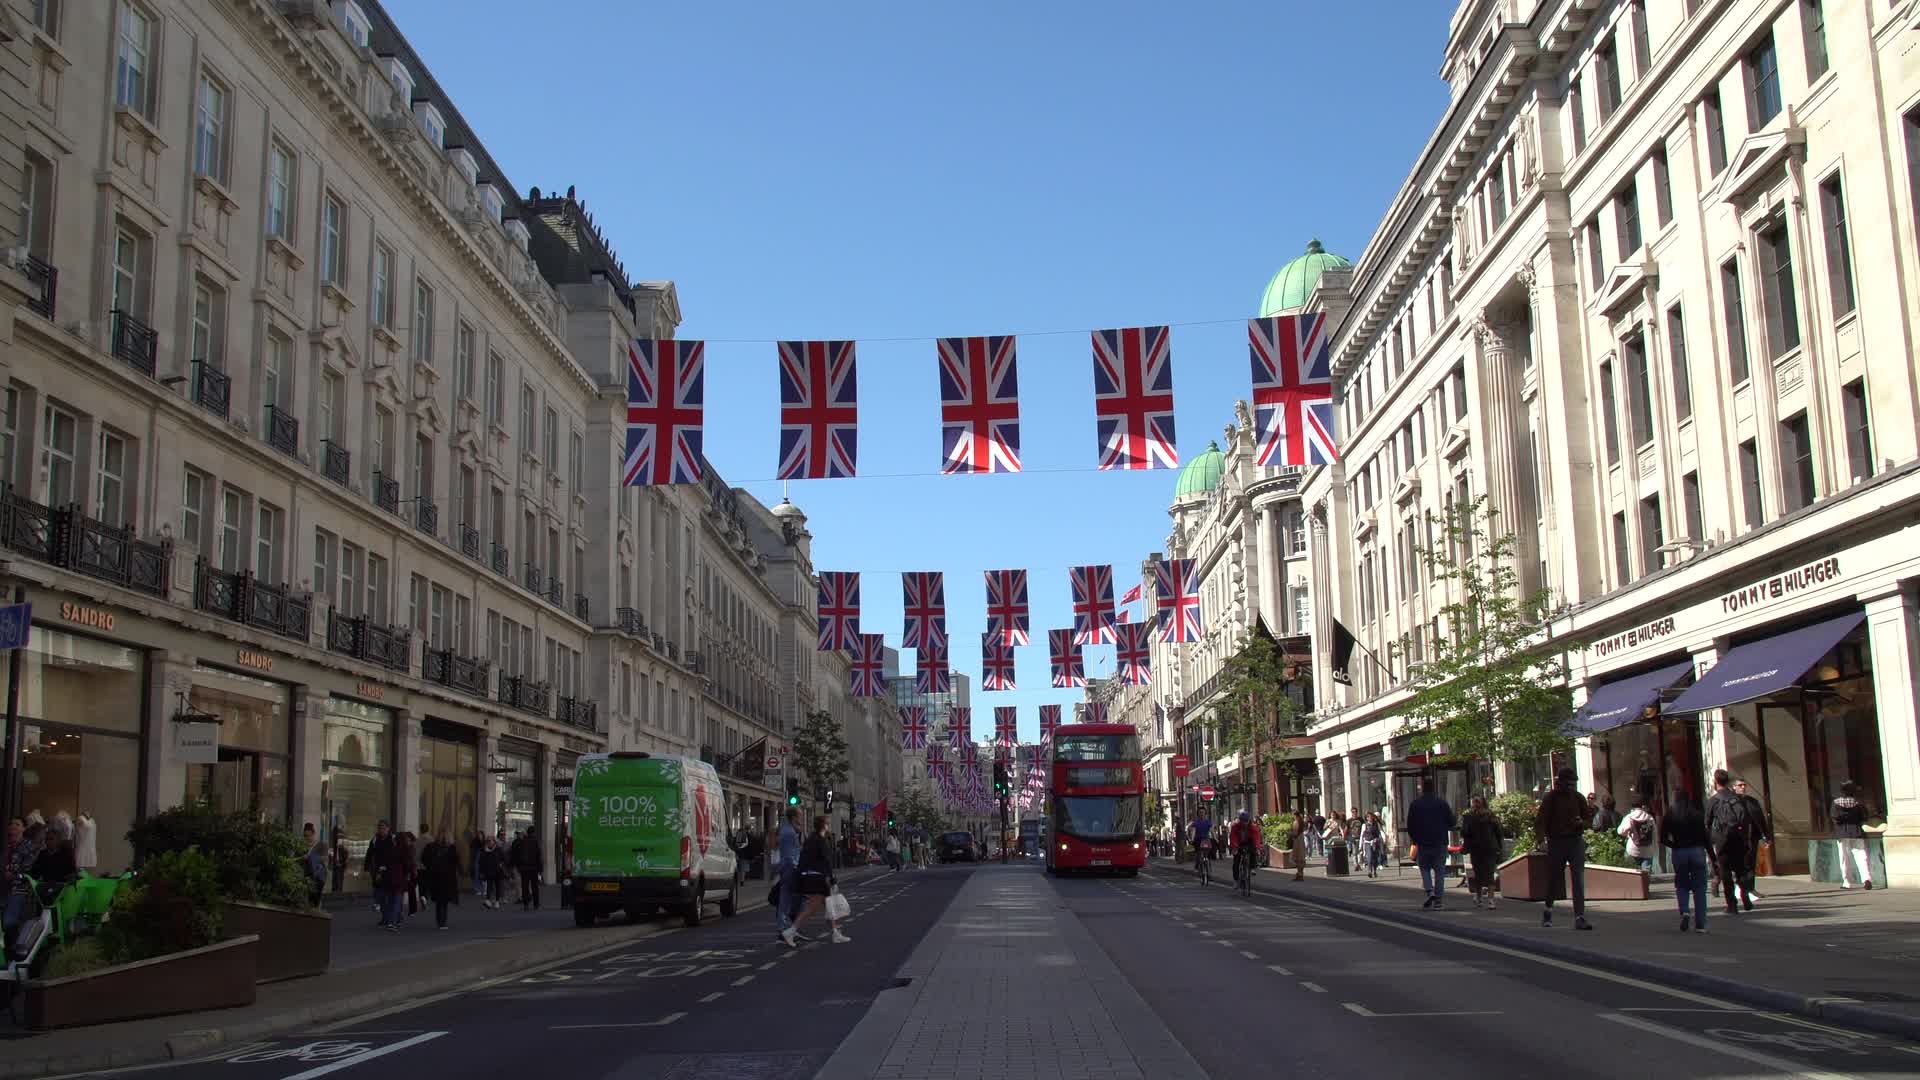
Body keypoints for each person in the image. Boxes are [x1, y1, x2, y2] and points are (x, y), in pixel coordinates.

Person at [1535, 768, 1593, 930]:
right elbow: (1541, 820)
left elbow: (1589, 820)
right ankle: (1548, 909)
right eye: (1569, 783)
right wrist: (1541, 840)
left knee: (1578, 880)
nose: (1572, 786)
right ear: (1562, 782)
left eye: (1574, 783)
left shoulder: (1578, 798)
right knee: (1554, 879)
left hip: (1575, 841)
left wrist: (1582, 822)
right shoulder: (1551, 798)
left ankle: (1580, 917)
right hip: (1557, 842)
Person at [783, 815, 848, 946]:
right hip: (817, 879)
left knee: (830, 907)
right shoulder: (820, 841)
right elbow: (826, 862)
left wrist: (800, 875)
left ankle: (835, 933)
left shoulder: (811, 839)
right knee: (812, 909)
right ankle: (790, 932)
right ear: (823, 825)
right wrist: (832, 879)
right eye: (827, 823)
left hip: (813, 877)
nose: (829, 825)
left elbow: (804, 859)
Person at [1706, 769, 1756, 915]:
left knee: (1726, 873)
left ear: (1715, 782)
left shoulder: (1713, 801)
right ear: (1728, 781)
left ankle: (1732, 905)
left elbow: (1707, 823)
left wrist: (1711, 842)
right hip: (1739, 839)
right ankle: (1745, 895)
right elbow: (1746, 819)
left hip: (1722, 841)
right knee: (1741, 870)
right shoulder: (1737, 799)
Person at [1661, 789, 1711, 933]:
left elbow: (1663, 838)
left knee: (1681, 883)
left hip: (1679, 852)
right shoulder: (1697, 814)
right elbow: (1705, 839)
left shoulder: (1670, 815)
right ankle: (1700, 924)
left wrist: (1675, 845)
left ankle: (1684, 911)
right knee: (1700, 888)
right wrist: (1713, 859)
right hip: (1697, 851)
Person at [1407, 778, 1456, 910]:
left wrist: (1415, 839)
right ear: (1434, 788)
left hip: (1423, 842)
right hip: (1440, 842)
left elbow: (1410, 825)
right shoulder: (1442, 803)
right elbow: (1452, 822)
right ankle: (1438, 901)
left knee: (1424, 868)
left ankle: (1429, 891)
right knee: (1440, 871)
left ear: (1422, 788)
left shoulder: (1416, 804)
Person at [1460, 795, 1503, 909]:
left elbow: (1464, 832)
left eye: (1474, 802)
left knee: (1478, 873)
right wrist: (1499, 848)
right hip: (1490, 848)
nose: (1474, 804)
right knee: (1490, 873)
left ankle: (1479, 898)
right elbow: (1499, 833)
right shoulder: (1491, 815)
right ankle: (1491, 900)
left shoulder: (1469, 816)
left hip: (1477, 848)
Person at [1732, 779, 1771, 903]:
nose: (1743, 787)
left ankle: (1750, 888)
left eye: (1744, 785)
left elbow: (1761, 819)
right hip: (1738, 838)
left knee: (1751, 864)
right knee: (1743, 865)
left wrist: (1766, 836)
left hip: (1752, 836)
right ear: (1734, 787)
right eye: (1740, 785)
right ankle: (1743, 889)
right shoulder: (1731, 802)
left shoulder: (1752, 801)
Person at [1831, 780, 1874, 890]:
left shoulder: (1836, 803)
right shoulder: (1858, 803)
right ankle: (1866, 879)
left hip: (1842, 833)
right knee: (1862, 856)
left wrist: (1843, 819)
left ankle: (1847, 882)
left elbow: (1834, 817)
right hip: (1856, 831)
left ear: (1842, 791)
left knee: (1844, 858)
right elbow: (1865, 817)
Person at [773, 807, 807, 940]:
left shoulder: (791, 831)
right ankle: (784, 929)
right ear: (794, 818)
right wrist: (795, 867)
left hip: (790, 869)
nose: (801, 819)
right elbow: (789, 856)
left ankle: (789, 928)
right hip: (790, 870)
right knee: (787, 900)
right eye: (800, 816)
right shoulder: (789, 833)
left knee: (792, 900)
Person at [420, 829, 461, 930]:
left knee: (440, 901)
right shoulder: (450, 848)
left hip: (437, 877)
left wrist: (430, 867)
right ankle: (442, 922)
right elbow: (456, 861)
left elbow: (424, 858)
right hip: (446, 878)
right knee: (443, 901)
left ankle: (441, 921)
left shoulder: (432, 846)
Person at [379, 828, 412, 931]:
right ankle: (394, 922)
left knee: (390, 900)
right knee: (397, 900)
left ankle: (391, 920)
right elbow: (407, 865)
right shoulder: (405, 850)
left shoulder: (392, 849)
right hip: (399, 877)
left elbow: (386, 863)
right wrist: (407, 874)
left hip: (390, 877)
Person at [365, 820, 395, 926]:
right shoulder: (375, 839)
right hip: (377, 871)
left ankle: (392, 916)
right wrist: (366, 868)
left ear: (388, 828)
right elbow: (369, 853)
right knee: (381, 895)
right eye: (380, 828)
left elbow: (396, 855)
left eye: (383, 828)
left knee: (388, 895)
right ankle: (385, 917)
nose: (381, 830)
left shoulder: (392, 839)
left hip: (389, 871)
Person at [1616, 796, 1657, 873]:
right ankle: (1644, 885)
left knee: (1632, 875)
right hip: (1647, 851)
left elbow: (1620, 831)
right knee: (1645, 876)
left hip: (1632, 850)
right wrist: (1654, 848)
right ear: (1643, 806)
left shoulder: (1629, 817)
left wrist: (1628, 833)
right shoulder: (1650, 818)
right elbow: (1655, 834)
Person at [1227, 810, 1263, 886]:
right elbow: (1233, 837)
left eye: (1246, 821)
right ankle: (1236, 880)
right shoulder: (1235, 827)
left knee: (1253, 851)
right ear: (1240, 821)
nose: (1244, 823)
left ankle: (1252, 867)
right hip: (1238, 843)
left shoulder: (1253, 827)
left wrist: (1258, 848)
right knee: (1236, 861)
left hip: (1249, 842)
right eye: (1243, 821)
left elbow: (1256, 838)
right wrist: (1234, 848)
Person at [514, 828, 543, 911]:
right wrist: (540, 869)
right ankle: (536, 904)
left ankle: (526, 904)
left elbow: (517, 855)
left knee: (525, 886)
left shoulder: (522, 841)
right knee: (535, 886)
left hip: (524, 868)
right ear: (533, 833)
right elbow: (538, 856)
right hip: (534, 868)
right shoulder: (536, 842)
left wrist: (518, 866)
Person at [302, 823, 328, 907]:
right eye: (305, 836)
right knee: (309, 897)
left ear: (313, 834)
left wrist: (311, 857)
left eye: (309, 835)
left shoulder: (321, 845)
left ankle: (317, 911)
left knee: (316, 897)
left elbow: (324, 858)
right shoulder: (302, 846)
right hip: (306, 875)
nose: (307, 838)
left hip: (318, 875)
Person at [478, 835, 507, 909]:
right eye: (488, 841)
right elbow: (481, 862)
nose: (489, 842)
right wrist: (481, 872)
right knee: (489, 886)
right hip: (489, 871)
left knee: (497, 886)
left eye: (491, 841)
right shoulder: (484, 850)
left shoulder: (498, 849)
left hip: (498, 871)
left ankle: (497, 901)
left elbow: (504, 858)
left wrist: (502, 864)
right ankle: (488, 900)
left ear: (494, 842)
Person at [1359, 813, 1385, 877]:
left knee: (1375, 857)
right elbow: (1362, 835)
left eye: (1371, 817)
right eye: (1368, 817)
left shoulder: (1376, 824)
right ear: (1367, 818)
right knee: (1369, 857)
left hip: (1375, 842)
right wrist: (1360, 846)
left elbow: (1380, 832)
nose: (1370, 818)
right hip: (1367, 842)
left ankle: (1374, 871)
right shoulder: (1364, 825)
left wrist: (1384, 838)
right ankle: (1369, 871)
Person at [1190, 807, 1215, 876]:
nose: (1202, 814)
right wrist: (1192, 839)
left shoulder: (1208, 822)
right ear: (1198, 814)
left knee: (1207, 854)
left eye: (1203, 812)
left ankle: (1208, 870)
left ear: (1205, 813)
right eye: (1200, 812)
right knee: (1199, 854)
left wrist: (1215, 838)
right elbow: (1193, 831)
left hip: (1206, 840)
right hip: (1198, 840)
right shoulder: (1196, 823)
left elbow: (1212, 831)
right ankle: (1197, 865)